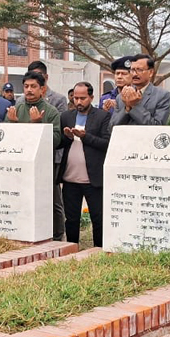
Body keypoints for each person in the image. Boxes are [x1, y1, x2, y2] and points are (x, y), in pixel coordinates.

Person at [8, 71, 63, 239]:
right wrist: (12, 123)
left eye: (33, 86)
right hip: (20, 167)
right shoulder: (15, 109)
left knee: (51, 202)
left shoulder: (51, 111)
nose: (29, 90)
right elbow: (7, 139)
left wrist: (38, 125)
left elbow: (56, 140)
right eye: (26, 86)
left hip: (44, 167)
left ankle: (57, 235)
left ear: (42, 90)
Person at [58, 82, 110, 246]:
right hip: (70, 178)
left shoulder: (102, 116)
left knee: (98, 218)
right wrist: (67, 137)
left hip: (92, 179)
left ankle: (98, 250)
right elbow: (58, 144)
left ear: (91, 98)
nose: (78, 102)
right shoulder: (66, 116)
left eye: (82, 98)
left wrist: (85, 136)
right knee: (71, 218)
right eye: (75, 98)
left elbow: (107, 143)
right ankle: (71, 248)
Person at [109, 54, 170, 130]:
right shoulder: (121, 97)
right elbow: (112, 128)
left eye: (139, 70)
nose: (135, 74)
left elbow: (157, 127)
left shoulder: (162, 96)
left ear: (151, 72)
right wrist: (127, 108)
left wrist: (134, 105)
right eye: (132, 70)